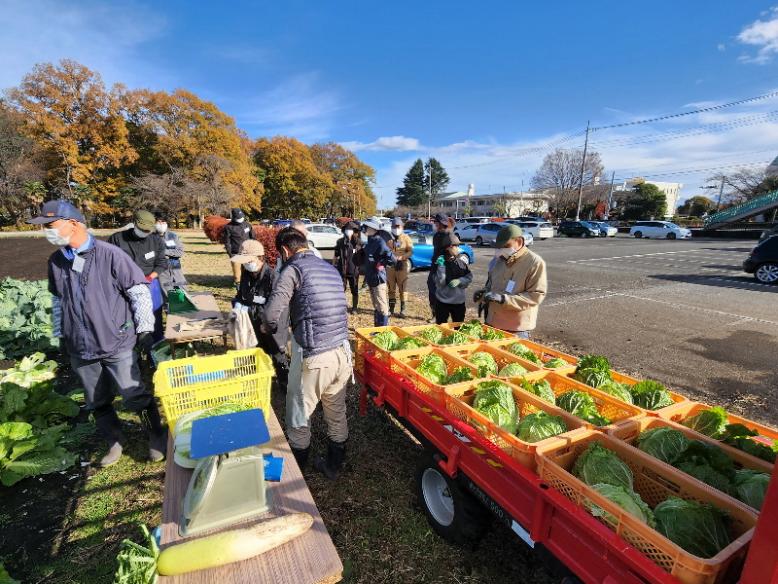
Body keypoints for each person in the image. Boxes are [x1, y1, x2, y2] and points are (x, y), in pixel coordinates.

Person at [29, 200, 166, 467]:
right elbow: (58, 300)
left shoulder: (110, 255)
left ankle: (157, 435)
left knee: (133, 394)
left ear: (73, 223)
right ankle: (114, 442)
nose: (47, 230)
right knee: (97, 400)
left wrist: (145, 330)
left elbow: (139, 293)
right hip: (80, 347)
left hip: (116, 340)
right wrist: (60, 334)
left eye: (50, 224)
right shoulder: (57, 261)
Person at [261, 228, 351, 480]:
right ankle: (333, 465)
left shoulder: (293, 269)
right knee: (335, 410)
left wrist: (265, 328)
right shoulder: (329, 268)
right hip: (343, 352)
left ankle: (297, 471)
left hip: (316, 354)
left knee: (299, 412)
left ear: (284, 251)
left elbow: (271, 314)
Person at [230, 240, 289, 389]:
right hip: (254, 324)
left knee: (278, 356)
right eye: (244, 262)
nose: (246, 264)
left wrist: (269, 325)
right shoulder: (247, 274)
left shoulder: (273, 278)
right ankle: (261, 381)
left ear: (260, 258)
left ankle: (285, 385)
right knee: (258, 353)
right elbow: (241, 295)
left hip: (272, 326)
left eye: (248, 261)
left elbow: (280, 308)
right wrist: (237, 305)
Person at [475, 224, 547, 339]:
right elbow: (491, 284)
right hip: (493, 322)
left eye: (506, 246)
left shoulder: (534, 263)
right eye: (499, 247)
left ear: (519, 241)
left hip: (515, 328)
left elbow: (536, 296)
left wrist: (504, 299)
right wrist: (484, 294)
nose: (501, 250)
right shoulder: (499, 260)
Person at [108, 210, 167, 341]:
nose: (145, 233)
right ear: (134, 223)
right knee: (126, 318)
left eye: (148, 231)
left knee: (154, 319)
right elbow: (108, 263)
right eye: (143, 230)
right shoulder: (117, 239)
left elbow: (162, 263)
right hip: (124, 285)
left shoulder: (156, 241)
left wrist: (150, 277)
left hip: (150, 284)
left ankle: (155, 347)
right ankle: (133, 349)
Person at [361, 219, 396, 326]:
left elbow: (393, 260)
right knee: (376, 305)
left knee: (382, 306)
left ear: (373, 229)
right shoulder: (369, 241)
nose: (365, 229)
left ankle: (383, 331)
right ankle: (376, 329)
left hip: (379, 279)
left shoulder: (380, 242)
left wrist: (382, 263)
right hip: (370, 277)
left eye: (367, 227)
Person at [433, 234, 472, 324]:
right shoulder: (439, 262)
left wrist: (460, 281)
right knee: (441, 328)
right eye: (456, 246)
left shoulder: (461, 262)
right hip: (442, 302)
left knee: (458, 327)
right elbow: (440, 282)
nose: (458, 248)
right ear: (449, 248)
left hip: (458, 302)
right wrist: (441, 267)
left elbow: (469, 277)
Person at [427, 213, 455, 321]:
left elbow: (453, 253)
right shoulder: (436, 236)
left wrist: (444, 259)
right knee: (431, 288)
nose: (434, 224)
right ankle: (435, 314)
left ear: (441, 223)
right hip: (434, 266)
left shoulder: (449, 236)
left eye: (436, 222)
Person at [222, 208, 255, 288]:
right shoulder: (228, 227)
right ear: (233, 217)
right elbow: (227, 242)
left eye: (241, 217)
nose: (240, 220)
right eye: (238, 218)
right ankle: (239, 288)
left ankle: (250, 287)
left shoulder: (247, 225)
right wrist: (230, 254)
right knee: (237, 275)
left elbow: (253, 237)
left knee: (250, 271)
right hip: (235, 253)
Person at [333, 221, 362, 313]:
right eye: (347, 229)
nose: (348, 231)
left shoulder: (358, 242)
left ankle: (354, 308)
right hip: (342, 270)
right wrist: (334, 266)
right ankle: (341, 307)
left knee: (354, 289)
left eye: (350, 229)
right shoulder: (340, 242)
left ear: (354, 231)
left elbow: (363, 257)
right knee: (341, 290)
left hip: (354, 270)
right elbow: (336, 255)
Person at [387, 217, 413, 317]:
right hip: (390, 266)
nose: (396, 228)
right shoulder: (388, 238)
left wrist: (402, 257)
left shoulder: (406, 238)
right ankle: (391, 309)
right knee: (391, 287)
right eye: (394, 226)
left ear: (402, 227)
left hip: (402, 265)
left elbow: (410, 251)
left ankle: (403, 310)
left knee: (403, 287)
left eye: (398, 226)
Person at [154, 214, 187, 294]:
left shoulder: (173, 236)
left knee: (182, 290)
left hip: (175, 267)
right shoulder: (150, 237)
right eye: (159, 222)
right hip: (161, 269)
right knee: (167, 293)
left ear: (166, 223)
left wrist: (164, 252)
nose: (161, 224)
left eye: (163, 222)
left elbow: (180, 252)